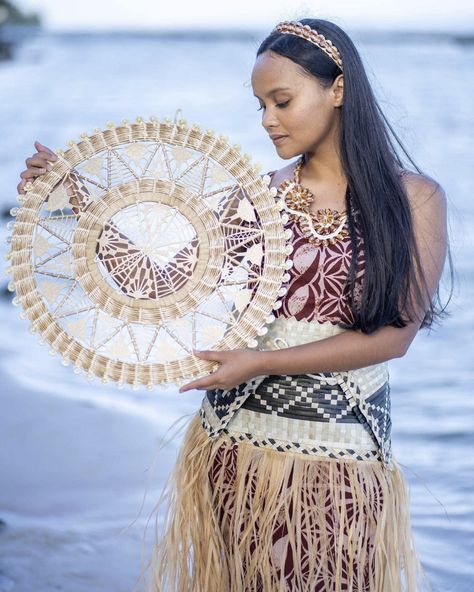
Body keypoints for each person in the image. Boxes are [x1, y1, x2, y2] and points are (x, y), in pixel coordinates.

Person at [17, 18, 450, 592]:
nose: (268, 120)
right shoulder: (256, 199)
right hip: (235, 450)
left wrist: (261, 361)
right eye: (260, 106)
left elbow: (395, 336)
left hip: (343, 457)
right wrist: (77, 201)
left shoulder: (413, 199)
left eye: (282, 100)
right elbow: (165, 280)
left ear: (337, 89)